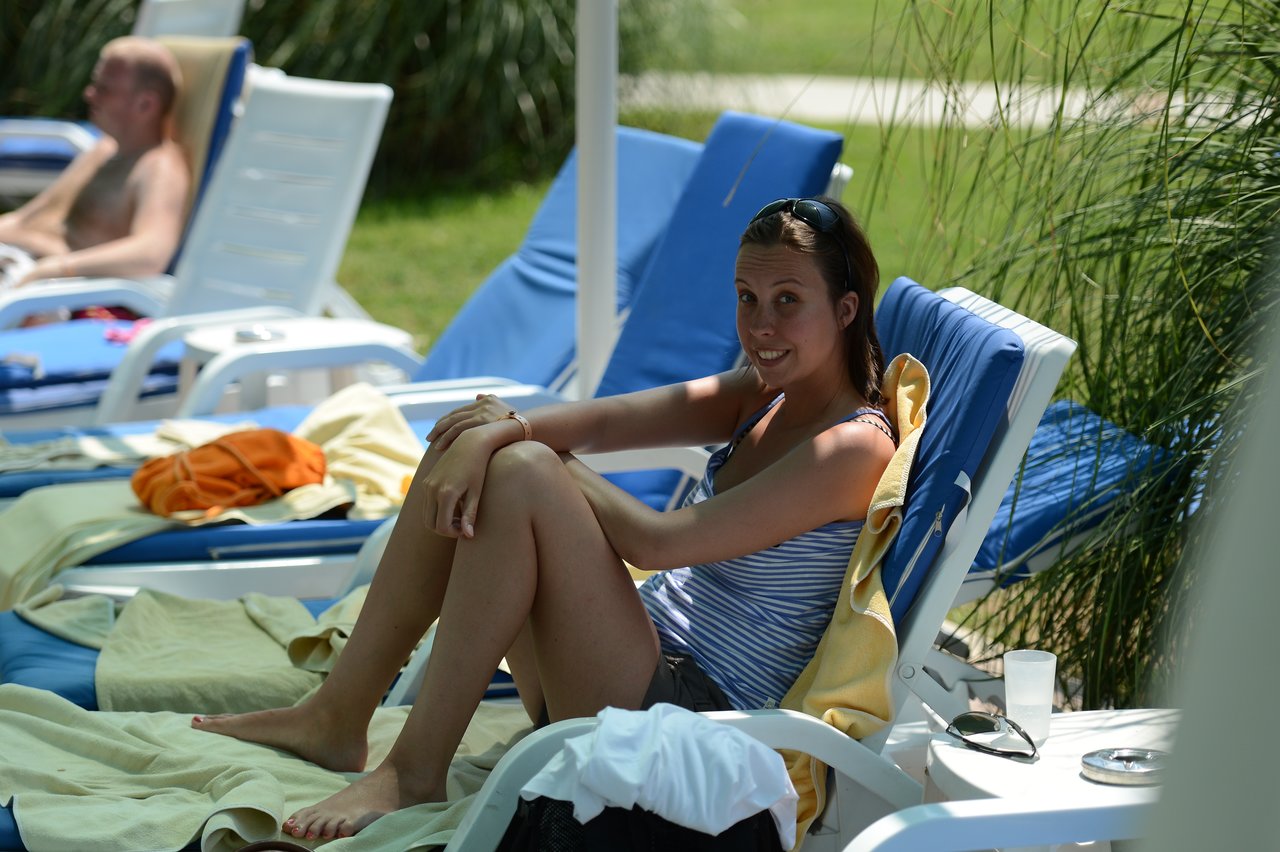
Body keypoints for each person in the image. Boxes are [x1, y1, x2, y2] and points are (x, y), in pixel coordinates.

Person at [192, 196, 897, 841]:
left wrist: (519, 442)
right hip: (626, 668)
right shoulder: (764, 394)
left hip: (694, 719)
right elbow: (608, 419)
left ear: (843, 310)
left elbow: (658, 542)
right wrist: (500, 428)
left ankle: (413, 772)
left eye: (786, 301)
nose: (761, 326)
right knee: (471, 444)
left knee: (524, 470)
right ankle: (337, 715)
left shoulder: (852, 445)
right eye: (747, 299)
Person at [0, 36, 189, 291]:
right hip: (18, 262)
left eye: (104, 89)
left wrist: (57, 268)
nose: (89, 95)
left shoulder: (159, 166)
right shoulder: (103, 149)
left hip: (45, 285)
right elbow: (27, 219)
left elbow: (151, 254)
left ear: (146, 104)